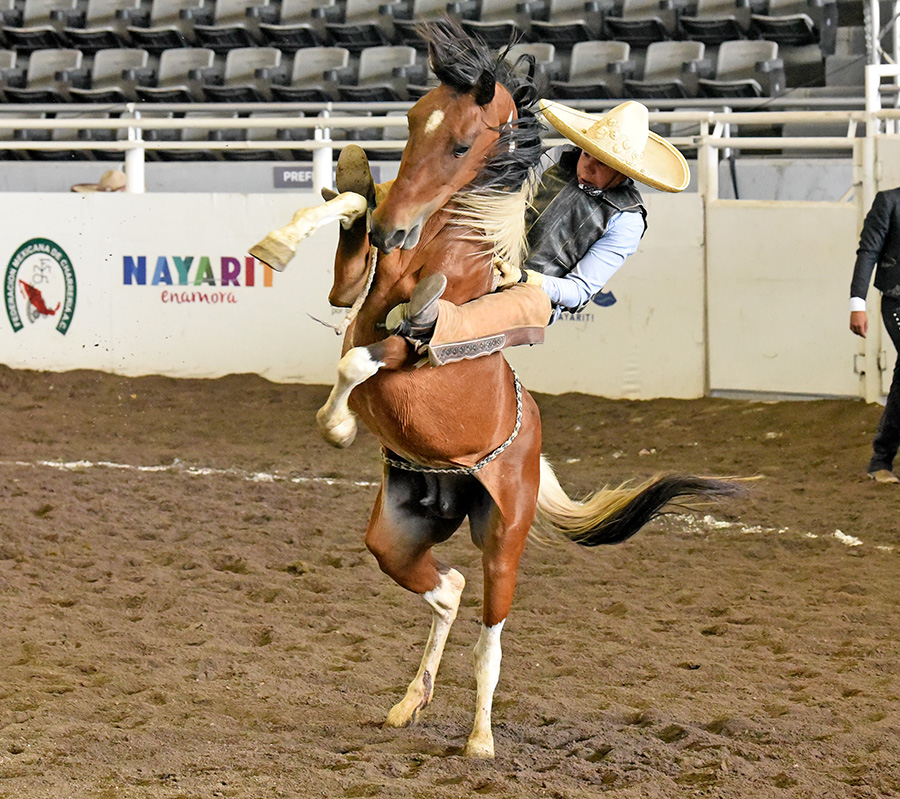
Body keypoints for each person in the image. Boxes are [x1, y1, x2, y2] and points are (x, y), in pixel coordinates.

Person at [385, 99, 691, 366]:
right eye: (587, 155)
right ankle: (381, 201)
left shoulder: (627, 221)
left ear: (623, 172)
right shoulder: (559, 157)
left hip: (534, 290)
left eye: (601, 164)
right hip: (493, 250)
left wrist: (524, 278)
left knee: (527, 303)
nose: (587, 167)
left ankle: (434, 320)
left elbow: (579, 291)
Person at [850, 187, 900, 483]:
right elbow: (868, 251)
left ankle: (881, 458)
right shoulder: (889, 201)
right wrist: (858, 303)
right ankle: (881, 457)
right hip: (897, 302)